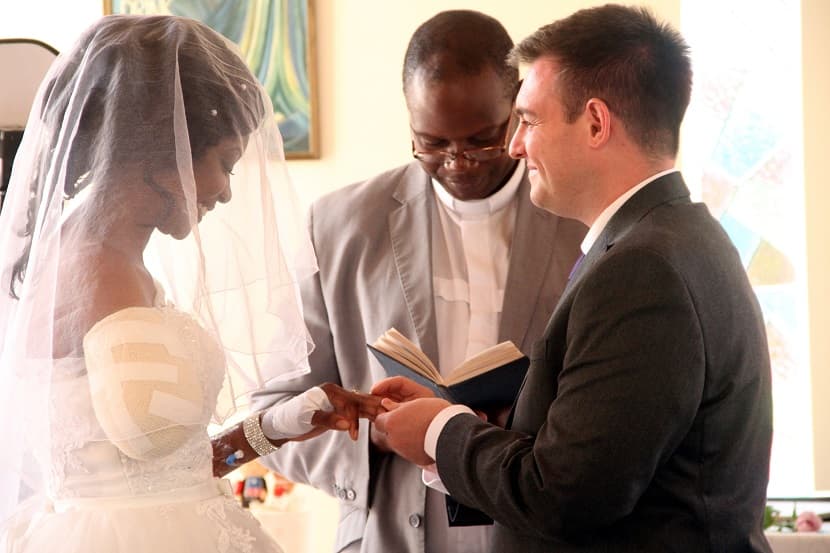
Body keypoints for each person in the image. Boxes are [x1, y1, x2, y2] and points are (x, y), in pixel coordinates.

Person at [372, 4, 774, 552]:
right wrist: (459, 420)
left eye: (530, 121)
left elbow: (566, 494)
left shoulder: (643, 270)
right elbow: (599, 455)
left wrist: (440, 432)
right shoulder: (677, 237)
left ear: (595, 122)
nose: (515, 145)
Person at [0, 15, 382, 553]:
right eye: (224, 163)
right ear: (162, 150)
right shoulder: (97, 274)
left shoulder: (112, 266)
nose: (225, 192)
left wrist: (280, 424)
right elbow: (154, 466)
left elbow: (168, 469)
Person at [250, 9, 586, 553]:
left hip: (541, 527)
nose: (458, 163)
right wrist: (374, 437)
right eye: (431, 143)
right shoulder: (337, 225)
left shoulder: (581, 221)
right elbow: (273, 411)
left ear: (518, 105)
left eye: (481, 140)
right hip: (392, 531)